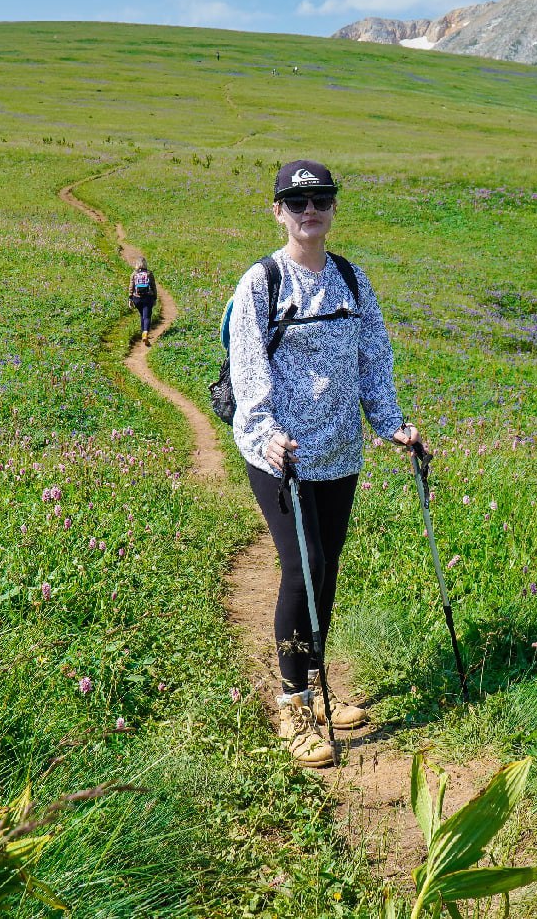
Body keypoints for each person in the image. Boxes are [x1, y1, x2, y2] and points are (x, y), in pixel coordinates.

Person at [228, 159, 422, 767]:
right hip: (281, 453)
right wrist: (266, 436)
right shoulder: (261, 282)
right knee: (300, 568)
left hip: (341, 450)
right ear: (278, 211)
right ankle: (293, 705)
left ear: (333, 208)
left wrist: (392, 426)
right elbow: (249, 368)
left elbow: (374, 359)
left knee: (327, 570)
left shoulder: (352, 280)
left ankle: (315, 687)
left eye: (320, 200)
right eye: (297, 201)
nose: (310, 210)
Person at [129, 258, 157, 347]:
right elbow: (153, 286)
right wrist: (155, 298)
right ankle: (145, 333)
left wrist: (130, 298)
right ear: (145, 264)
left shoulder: (134, 274)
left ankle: (143, 333)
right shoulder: (149, 273)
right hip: (148, 298)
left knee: (142, 315)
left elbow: (131, 287)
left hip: (136, 298)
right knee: (147, 316)